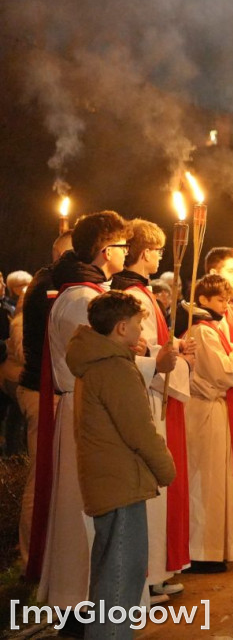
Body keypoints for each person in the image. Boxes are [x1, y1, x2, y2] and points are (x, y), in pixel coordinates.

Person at [68, 291, 177, 640]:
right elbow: (139, 431)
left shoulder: (97, 362)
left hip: (110, 479)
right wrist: (166, 469)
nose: (140, 331)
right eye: (137, 325)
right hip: (120, 482)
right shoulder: (114, 368)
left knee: (110, 569)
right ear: (120, 327)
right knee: (121, 576)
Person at [112, 219, 193, 599]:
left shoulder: (139, 293)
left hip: (154, 389)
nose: (161, 257)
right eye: (158, 251)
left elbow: (156, 344)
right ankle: (146, 577)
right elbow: (141, 350)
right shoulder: (136, 295)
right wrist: (166, 359)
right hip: (147, 395)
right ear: (146, 254)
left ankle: (155, 573)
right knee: (151, 488)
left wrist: (176, 347)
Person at [184, 274, 233, 572]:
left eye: (227, 300)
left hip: (217, 410)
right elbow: (222, 371)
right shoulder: (201, 332)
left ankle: (216, 548)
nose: (224, 305)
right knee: (207, 482)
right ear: (202, 300)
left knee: (219, 482)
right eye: (220, 300)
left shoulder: (212, 331)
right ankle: (202, 550)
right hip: (205, 413)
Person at [16, 231, 72, 568]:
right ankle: (31, 559)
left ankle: (48, 556)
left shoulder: (51, 283)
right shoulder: (49, 287)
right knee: (40, 479)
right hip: (41, 390)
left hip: (47, 388)